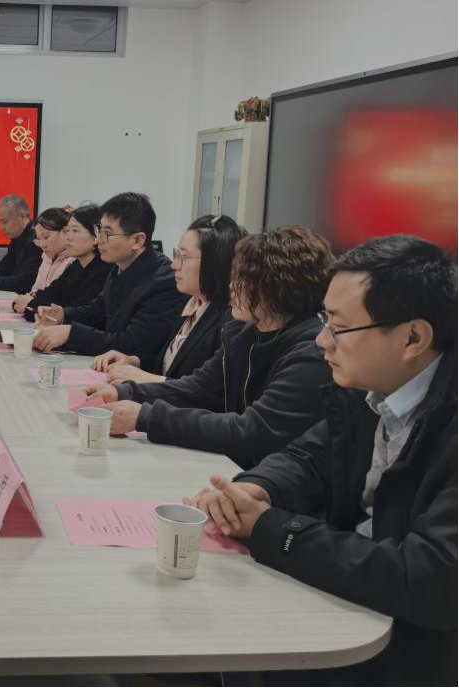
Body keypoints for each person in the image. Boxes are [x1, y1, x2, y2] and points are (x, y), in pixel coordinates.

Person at [187, 235, 457, 686]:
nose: (321, 340)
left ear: (413, 338)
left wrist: (273, 529)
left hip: (403, 647)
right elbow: (310, 455)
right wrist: (257, 487)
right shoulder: (369, 384)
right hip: (350, 600)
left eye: (338, 327)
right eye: (323, 319)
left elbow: (428, 579)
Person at [85, 225, 335, 469]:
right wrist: (125, 393)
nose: (231, 285)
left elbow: (252, 430)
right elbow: (198, 387)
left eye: (242, 278)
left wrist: (147, 417)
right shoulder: (242, 332)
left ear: (277, 287)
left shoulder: (311, 351)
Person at [93, 214, 245, 383]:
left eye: (184, 257)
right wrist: (134, 361)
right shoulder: (191, 303)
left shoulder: (230, 320)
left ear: (215, 263)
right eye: (176, 254)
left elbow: (206, 389)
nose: (174, 265)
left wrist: (151, 379)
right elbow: (172, 367)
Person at [33, 192, 185, 360]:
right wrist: (62, 315)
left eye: (107, 233)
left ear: (137, 240)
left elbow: (133, 344)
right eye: (99, 231)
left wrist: (71, 334)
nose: (99, 240)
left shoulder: (163, 282)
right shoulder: (120, 266)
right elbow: (97, 312)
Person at [23, 203, 112, 322]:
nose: (68, 237)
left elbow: (74, 312)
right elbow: (51, 293)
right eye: (67, 230)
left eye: (75, 230)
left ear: (96, 235)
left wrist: (31, 304)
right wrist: (33, 302)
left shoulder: (105, 270)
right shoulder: (77, 265)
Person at [12, 206, 73, 313]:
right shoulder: (46, 257)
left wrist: (29, 304)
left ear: (65, 232)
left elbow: (59, 302)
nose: (42, 245)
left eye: (46, 237)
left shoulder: (72, 261)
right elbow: (36, 290)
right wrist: (27, 299)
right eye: (39, 240)